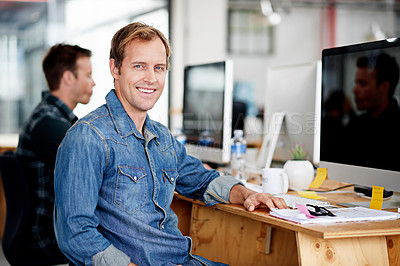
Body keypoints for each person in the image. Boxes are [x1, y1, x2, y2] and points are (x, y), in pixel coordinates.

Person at [53, 22, 287, 266]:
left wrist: (247, 194)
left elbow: (202, 179)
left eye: (159, 68)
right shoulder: (88, 137)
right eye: (139, 66)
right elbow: (75, 233)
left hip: (179, 259)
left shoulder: (161, 138)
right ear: (115, 68)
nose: (151, 78)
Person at [16, 44, 95, 261]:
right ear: (68, 77)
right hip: (47, 239)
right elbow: (99, 164)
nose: (93, 82)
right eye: (88, 75)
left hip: (48, 231)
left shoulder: (52, 118)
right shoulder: (49, 125)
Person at [343, 53, 400, 171]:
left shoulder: (396, 128)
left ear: (384, 87)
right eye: (356, 83)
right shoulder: (355, 125)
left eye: (362, 84)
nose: (355, 90)